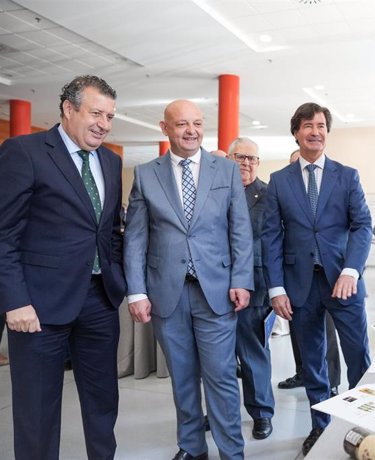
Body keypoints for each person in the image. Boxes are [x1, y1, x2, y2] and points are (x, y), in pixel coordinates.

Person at [0, 75, 126, 460]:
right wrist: (15, 301)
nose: (104, 124)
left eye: (110, 116)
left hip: (99, 301)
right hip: (38, 307)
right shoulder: (25, 152)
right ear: (68, 109)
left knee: (103, 403)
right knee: (37, 409)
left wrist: (121, 280)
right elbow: (3, 233)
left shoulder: (110, 160)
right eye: (95, 113)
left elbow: (109, 232)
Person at [124, 99, 253, 460]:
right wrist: (136, 291)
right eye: (181, 124)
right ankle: (192, 447)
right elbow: (135, 237)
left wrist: (242, 279)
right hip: (167, 293)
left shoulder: (225, 171)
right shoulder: (146, 174)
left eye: (197, 123)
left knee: (222, 379)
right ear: (164, 128)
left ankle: (232, 452)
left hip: (217, 292)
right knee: (181, 379)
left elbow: (240, 230)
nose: (191, 131)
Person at [262, 103, 372, 455]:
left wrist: (351, 270)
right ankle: (320, 426)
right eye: (307, 125)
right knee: (312, 361)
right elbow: (271, 236)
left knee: (358, 355)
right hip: (299, 286)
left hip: (344, 281)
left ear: (327, 131)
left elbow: (362, 226)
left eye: (321, 125)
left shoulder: (347, 175)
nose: (315, 131)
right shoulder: (280, 181)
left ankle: (363, 423)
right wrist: (276, 288)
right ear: (296, 132)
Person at [277, 150, 342, 397]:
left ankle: (332, 381)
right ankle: (303, 372)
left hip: (322, 273)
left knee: (325, 331)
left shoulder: (324, 191)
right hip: (292, 271)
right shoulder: (284, 190)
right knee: (298, 330)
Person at [227, 137, 275, 440]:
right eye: (240, 157)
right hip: (214, 286)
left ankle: (261, 414)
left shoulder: (269, 196)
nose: (246, 163)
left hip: (254, 287)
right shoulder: (216, 190)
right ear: (229, 158)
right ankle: (220, 412)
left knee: (253, 354)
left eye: (252, 158)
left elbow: (271, 243)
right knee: (217, 358)